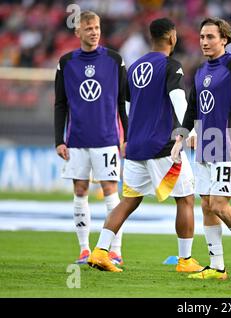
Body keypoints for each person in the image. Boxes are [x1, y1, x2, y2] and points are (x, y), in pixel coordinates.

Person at [87, 18, 203, 273]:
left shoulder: (136, 66)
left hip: (136, 146)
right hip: (163, 145)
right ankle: (185, 261)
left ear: (152, 38)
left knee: (128, 200)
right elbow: (179, 100)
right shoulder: (172, 66)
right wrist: (190, 132)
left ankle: (99, 252)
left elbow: (127, 106)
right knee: (185, 198)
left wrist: (127, 137)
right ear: (172, 37)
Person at [171, 17, 231, 280]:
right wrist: (180, 138)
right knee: (207, 207)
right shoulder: (200, 71)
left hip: (227, 146)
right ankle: (217, 267)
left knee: (219, 205)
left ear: (224, 39)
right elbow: (193, 109)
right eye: (201, 37)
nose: (204, 41)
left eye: (210, 37)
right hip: (205, 148)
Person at [54, 11, 127, 266]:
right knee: (80, 190)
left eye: (96, 28)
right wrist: (59, 140)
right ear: (78, 32)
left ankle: (113, 251)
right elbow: (60, 104)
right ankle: (85, 250)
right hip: (77, 140)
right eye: (88, 29)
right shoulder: (66, 63)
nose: (94, 32)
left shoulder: (114, 60)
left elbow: (121, 102)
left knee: (110, 192)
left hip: (107, 139)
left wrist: (125, 136)